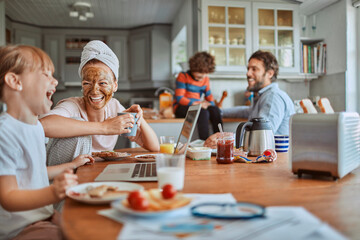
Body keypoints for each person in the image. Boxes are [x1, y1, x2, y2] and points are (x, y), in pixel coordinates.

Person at [0, 45, 84, 239]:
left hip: (43, 216)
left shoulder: (36, 127)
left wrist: (70, 166)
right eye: (46, 75)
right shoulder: (5, 131)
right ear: (15, 81)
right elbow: (8, 197)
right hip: (20, 228)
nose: (55, 81)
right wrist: (53, 193)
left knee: (86, 226)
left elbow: (33, 173)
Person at [39, 40, 160, 166]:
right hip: (64, 175)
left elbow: (154, 147)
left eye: (102, 83)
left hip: (95, 171)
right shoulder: (73, 105)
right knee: (78, 122)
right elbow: (42, 125)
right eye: (87, 83)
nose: (94, 91)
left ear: (115, 86)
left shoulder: (115, 107)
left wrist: (140, 119)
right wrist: (105, 127)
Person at [205, 50, 295, 148]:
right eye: (248, 69)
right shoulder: (263, 96)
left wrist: (225, 139)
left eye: (254, 69)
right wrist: (217, 111)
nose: (248, 73)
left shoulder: (273, 97)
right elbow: (246, 111)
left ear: (269, 73)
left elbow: (261, 135)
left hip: (275, 160)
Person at [174, 51, 222, 140]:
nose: (201, 78)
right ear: (193, 69)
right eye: (199, 75)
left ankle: (219, 140)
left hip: (197, 106)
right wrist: (197, 104)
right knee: (202, 112)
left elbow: (209, 97)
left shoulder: (205, 79)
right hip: (181, 107)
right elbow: (179, 98)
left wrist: (210, 104)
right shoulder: (183, 76)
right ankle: (205, 142)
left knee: (215, 110)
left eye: (204, 75)